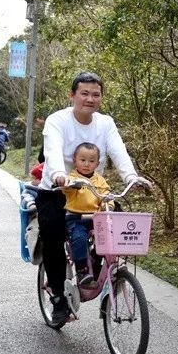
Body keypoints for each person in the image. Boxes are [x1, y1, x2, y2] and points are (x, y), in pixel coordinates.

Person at [37, 71, 149, 325]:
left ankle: (99, 273)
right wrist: (57, 174)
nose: (90, 99)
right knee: (53, 236)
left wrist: (131, 177)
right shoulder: (57, 121)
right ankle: (58, 299)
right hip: (58, 191)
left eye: (95, 94)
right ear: (73, 95)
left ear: (101, 98)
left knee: (116, 225)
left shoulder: (105, 123)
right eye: (84, 93)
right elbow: (53, 150)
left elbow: (118, 151)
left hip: (92, 192)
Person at [63, 142, 111, 286]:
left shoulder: (99, 180)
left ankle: (96, 261)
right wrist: (69, 184)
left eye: (91, 161)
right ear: (75, 160)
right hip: (76, 217)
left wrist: (108, 204)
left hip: (95, 217)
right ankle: (82, 269)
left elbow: (106, 194)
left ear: (97, 163)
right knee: (79, 237)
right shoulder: (72, 177)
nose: (86, 164)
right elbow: (66, 187)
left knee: (107, 237)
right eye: (82, 160)